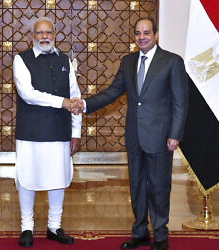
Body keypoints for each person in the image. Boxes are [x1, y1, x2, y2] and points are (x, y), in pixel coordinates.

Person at [74, 18, 188, 250]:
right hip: (135, 135)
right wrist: (85, 104)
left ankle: (160, 233)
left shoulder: (172, 62)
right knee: (136, 185)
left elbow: (180, 102)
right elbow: (112, 92)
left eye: (146, 33)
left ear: (156, 34)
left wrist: (175, 134)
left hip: (160, 135)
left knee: (158, 185)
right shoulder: (128, 61)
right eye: (138, 33)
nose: (142, 37)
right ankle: (140, 231)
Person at [13, 16, 82, 247]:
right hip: (31, 131)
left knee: (57, 179)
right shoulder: (21, 60)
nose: (45, 37)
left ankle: (54, 226)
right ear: (32, 36)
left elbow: (76, 97)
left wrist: (76, 132)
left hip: (59, 131)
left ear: (55, 35)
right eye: (40, 33)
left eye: (49, 33)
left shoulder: (65, 60)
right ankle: (26, 227)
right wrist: (62, 102)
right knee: (27, 178)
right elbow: (27, 93)